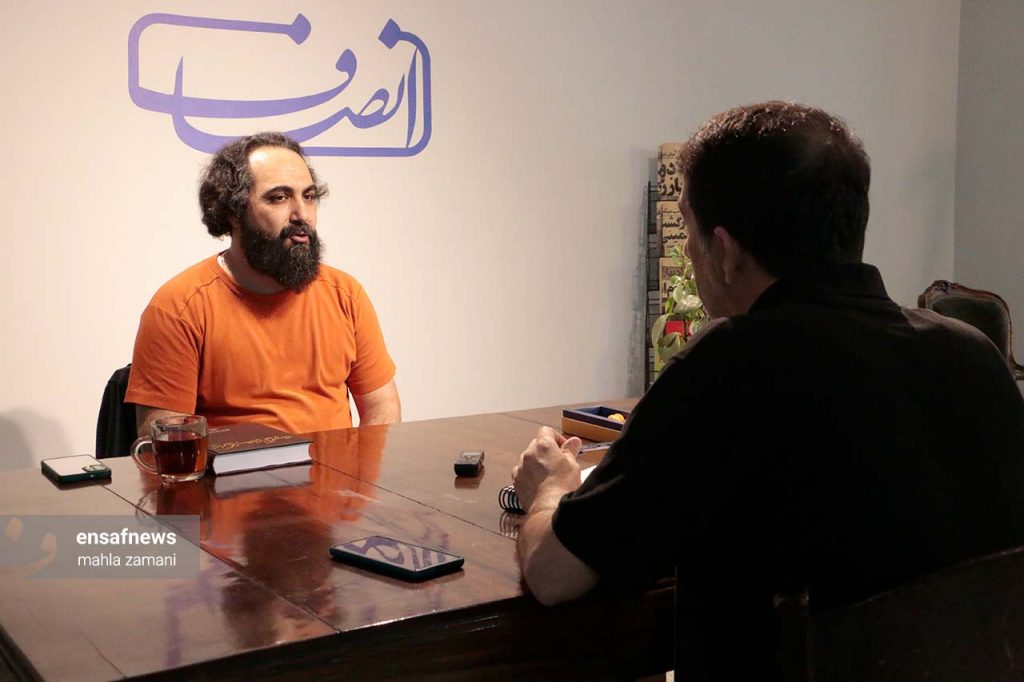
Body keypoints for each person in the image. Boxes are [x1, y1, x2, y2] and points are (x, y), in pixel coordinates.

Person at [512, 101, 1024, 679]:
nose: (688, 253)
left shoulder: (731, 365)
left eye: (691, 234)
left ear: (726, 253)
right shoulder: (973, 356)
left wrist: (550, 489)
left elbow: (554, 575)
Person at [127, 132, 400, 436]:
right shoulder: (178, 307)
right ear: (233, 212)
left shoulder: (345, 295)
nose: (302, 215)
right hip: (231, 468)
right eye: (279, 198)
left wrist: (363, 464)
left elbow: (382, 408)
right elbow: (165, 444)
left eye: (309, 197)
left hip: (336, 467)